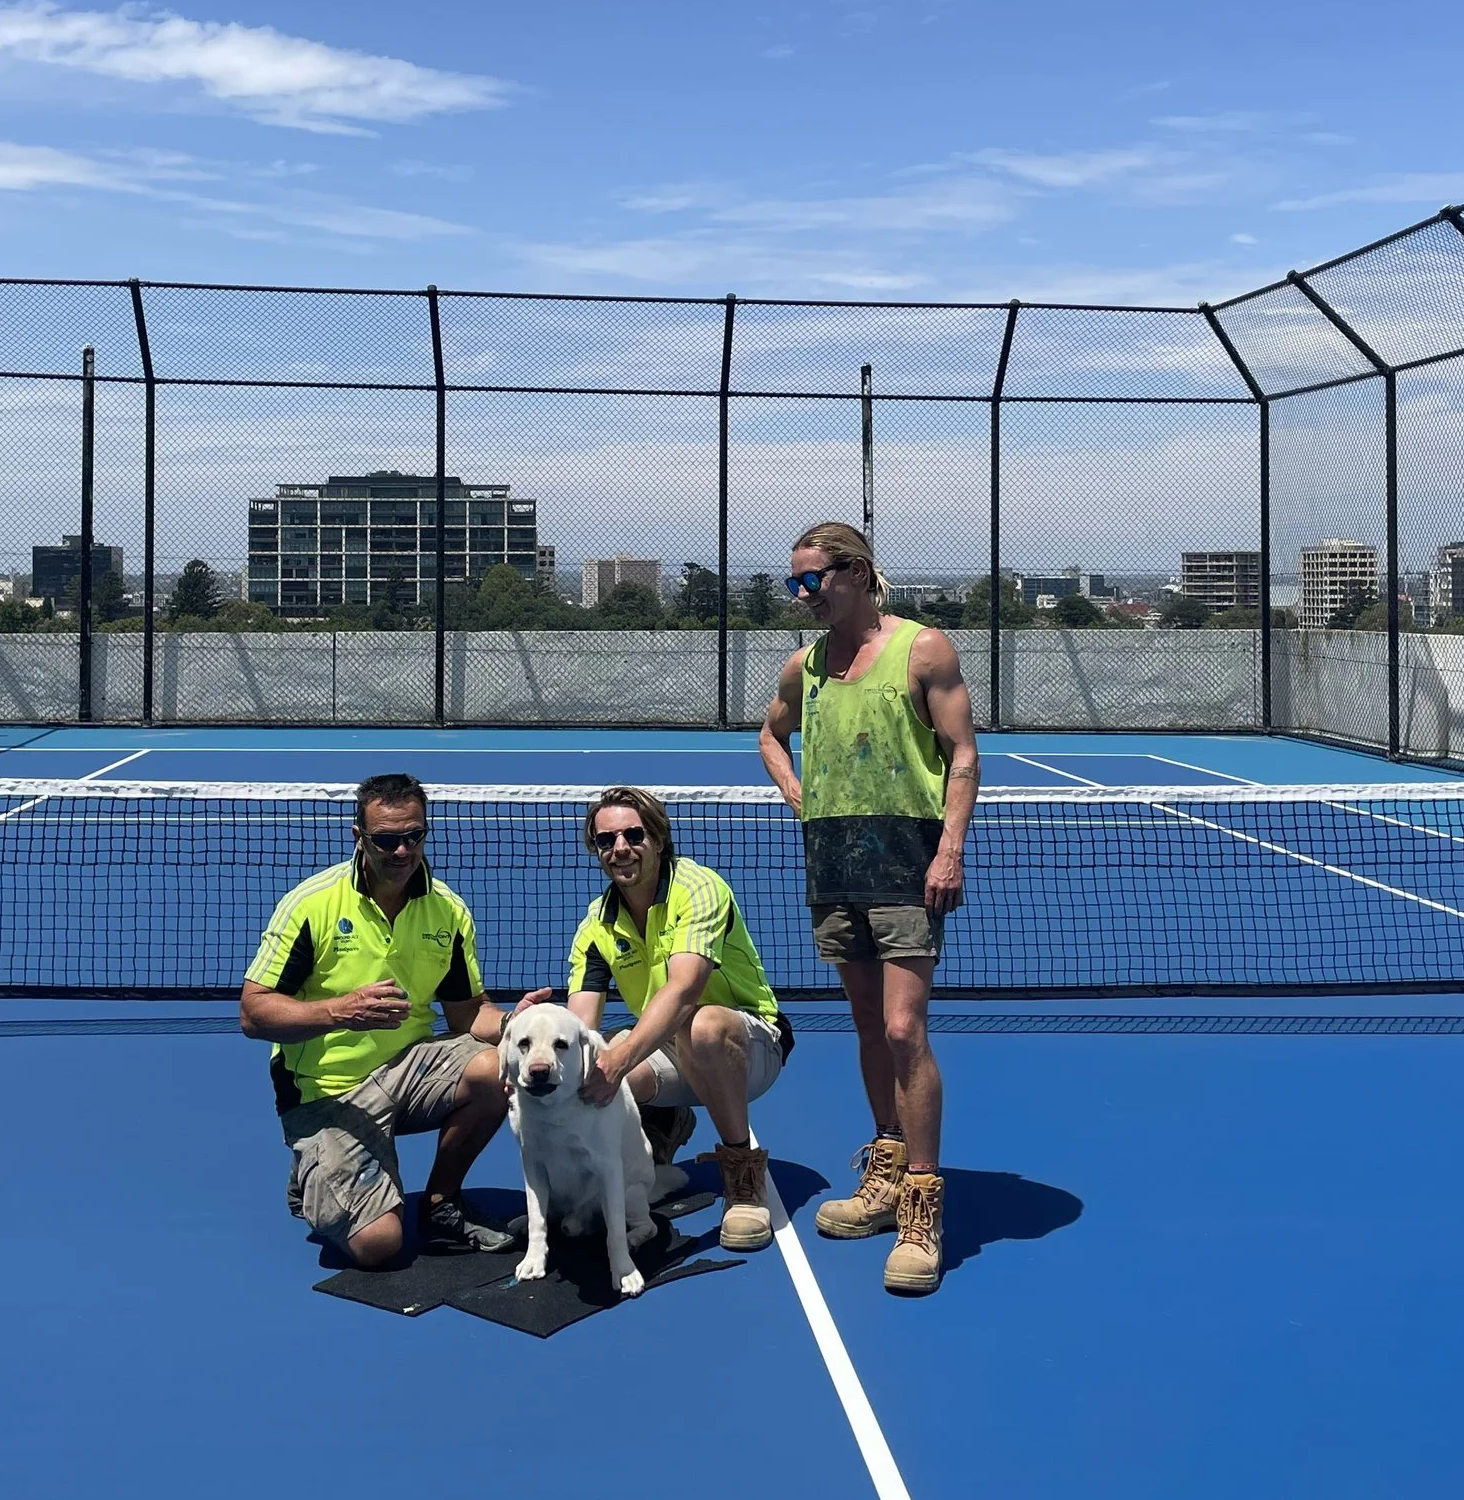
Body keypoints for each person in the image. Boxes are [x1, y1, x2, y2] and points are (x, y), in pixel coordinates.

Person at [757, 521, 978, 1296]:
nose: (801, 595)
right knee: (863, 1025)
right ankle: (884, 1167)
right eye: (794, 582)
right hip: (833, 862)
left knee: (901, 1028)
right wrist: (793, 789)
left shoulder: (924, 650)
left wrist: (948, 849)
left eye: (810, 579)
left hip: (906, 861)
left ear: (855, 572)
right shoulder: (806, 665)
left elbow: (963, 756)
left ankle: (921, 1201)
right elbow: (770, 734)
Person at [239, 772, 518, 1268]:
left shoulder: (447, 911)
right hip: (327, 1092)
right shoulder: (312, 904)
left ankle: (441, 1202)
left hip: (409, 1069)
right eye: (387, 840)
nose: (402, 851)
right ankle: (319, 1165)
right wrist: (338, 1011)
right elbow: (254, 1013)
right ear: (359, 836)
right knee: (379, 1247)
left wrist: (521, 1025)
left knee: (502, 1066)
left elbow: (468, 1014)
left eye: (414, 836)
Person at [559, 785, 792, 1253]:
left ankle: (743, 1175)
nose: (620, 849)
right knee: (587, 1066)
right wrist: (547, 1054)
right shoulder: (596, 925)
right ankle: (660, 1131)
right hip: (669, 1047)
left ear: (659, 839)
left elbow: (684, 992)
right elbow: (580, 1024)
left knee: (701, 1026)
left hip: (746, 1045)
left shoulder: (698, 887)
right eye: (606, 841)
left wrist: (620, 1057)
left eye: (633, 835)